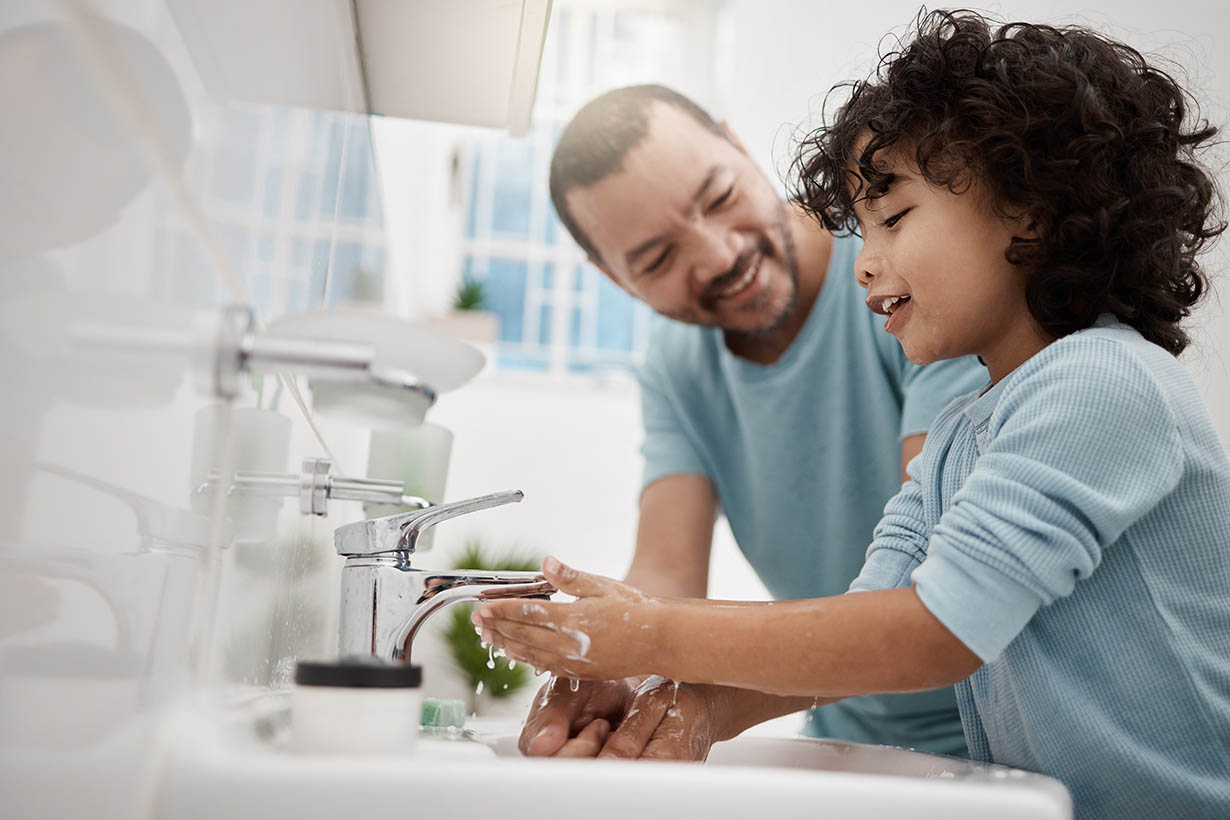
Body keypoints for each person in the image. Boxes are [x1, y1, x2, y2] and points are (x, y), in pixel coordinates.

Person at [477, 11, 1230, 819]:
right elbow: (873, 615)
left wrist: (651, 636)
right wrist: (695, 707)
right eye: (861, 226)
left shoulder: (1103, 383)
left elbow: (934, 629)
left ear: (1031, 207)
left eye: (893, 219)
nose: (862, 261)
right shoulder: (960, 435)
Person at [519, 83, 988, 761]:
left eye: (718, 198)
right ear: (617, 281)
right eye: (656, 259)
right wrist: (610, 668)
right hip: (846, 743)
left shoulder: (898, 277)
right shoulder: (679, 364)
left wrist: (669, 660)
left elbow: (931, 569)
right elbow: (665, 566)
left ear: (740, 148)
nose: (717, 256)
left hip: (1000, 733)